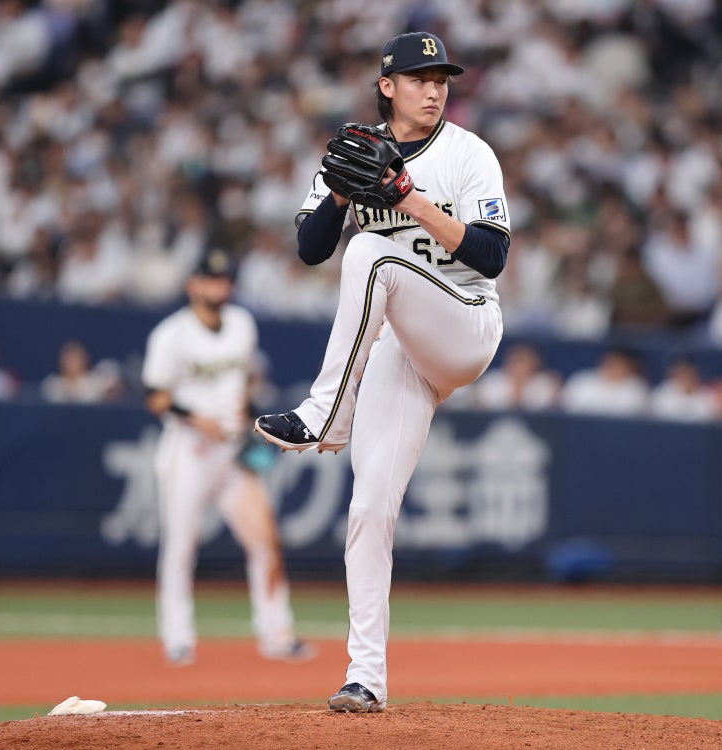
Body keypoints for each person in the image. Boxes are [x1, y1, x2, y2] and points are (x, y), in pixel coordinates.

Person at [254, 31, 509, 713]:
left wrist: (410, 199)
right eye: (420, 78)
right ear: (387, 86)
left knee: (373, 252)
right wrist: (339, 194)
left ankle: (323, 412)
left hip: (465, 322)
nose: (435, 89)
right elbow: (309, 249)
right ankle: (365, 678)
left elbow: (492, 257)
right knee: (369, 507)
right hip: (402, 347)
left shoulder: (467, 154)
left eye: (442, 78)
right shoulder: (356, 149)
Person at [142, 249, 314, 667]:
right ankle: (178, 638)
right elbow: (154, 396)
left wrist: (252, 419)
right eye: (210, 279)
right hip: (190, 450)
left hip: (233, 453)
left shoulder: (242, 325)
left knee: (266, 542)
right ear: (192, 285)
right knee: (181, 547)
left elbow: (244, 383)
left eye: (224, 279)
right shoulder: (171, 334)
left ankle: (277, 635)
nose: (219, 286)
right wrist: (196, 418)